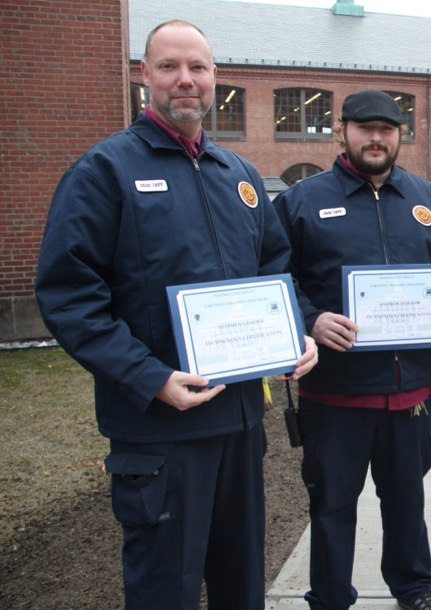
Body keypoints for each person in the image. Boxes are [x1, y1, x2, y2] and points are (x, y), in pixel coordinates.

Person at [35, 20, 317, 610]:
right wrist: (149, 377)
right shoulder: (103, 172)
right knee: (166, 586)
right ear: (146, 76)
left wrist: (293, 333)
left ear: (216, 78)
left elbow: (274, 266)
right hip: (161, 431)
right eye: (169, 67)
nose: (185, 80)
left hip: (239, 422)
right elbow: (68, 295)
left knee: (242, 580)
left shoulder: (237, 176)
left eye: (198, 67)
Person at [272, 89, 431, 610]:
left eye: (387, 129)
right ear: (342, 130)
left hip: (411, 392)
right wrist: (310, 320)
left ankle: (413, 588)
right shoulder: (303, 201)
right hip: (335, 395)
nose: (376, 138)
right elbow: (272, 276)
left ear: (399, 135)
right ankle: (330, 597)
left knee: (406, 501)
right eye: (365, 127)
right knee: (333, 505)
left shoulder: (428, 200)